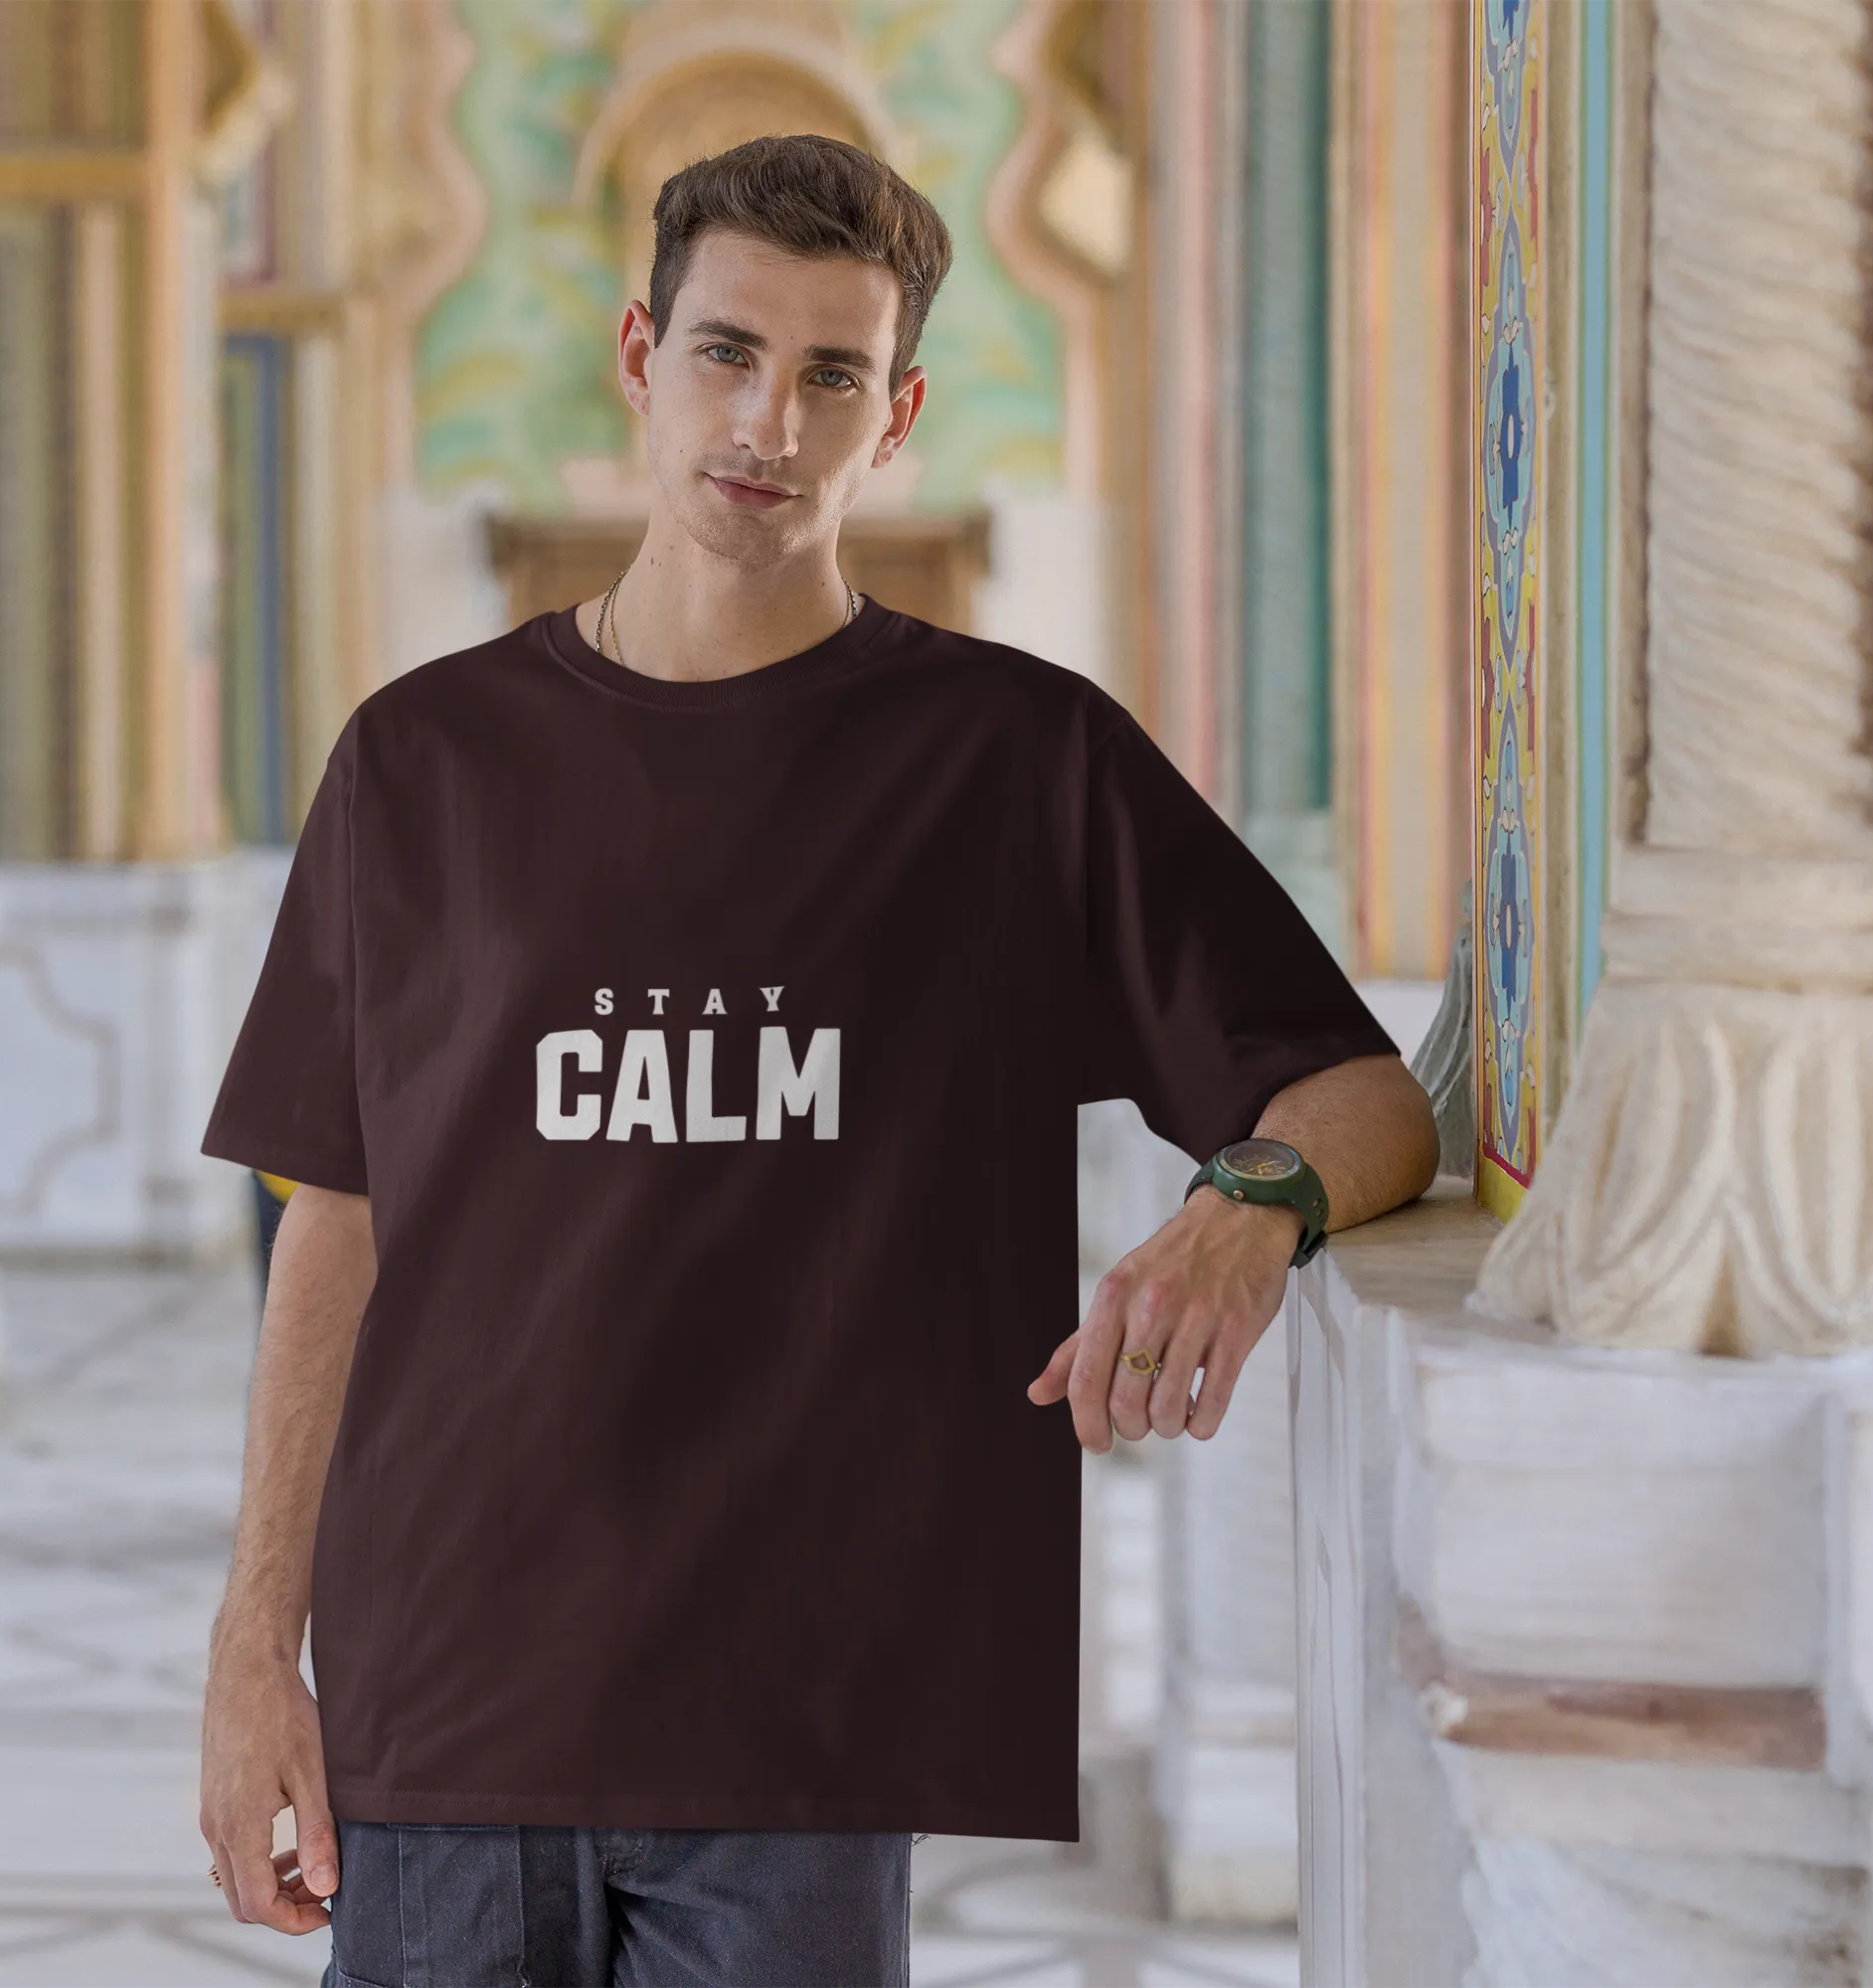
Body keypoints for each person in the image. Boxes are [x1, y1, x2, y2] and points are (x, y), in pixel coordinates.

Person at [196, 133, 1439, 1986]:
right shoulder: (421, 764)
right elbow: (337, 1221)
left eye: (831, 374)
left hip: (805, 1717)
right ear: (640, 354)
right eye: (726, 352)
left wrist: (1241, 1213)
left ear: (898, 408)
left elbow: (1362, 1097)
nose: (768, 420)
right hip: (447, 1692)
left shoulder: (1017, 765)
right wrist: (248, 1658)